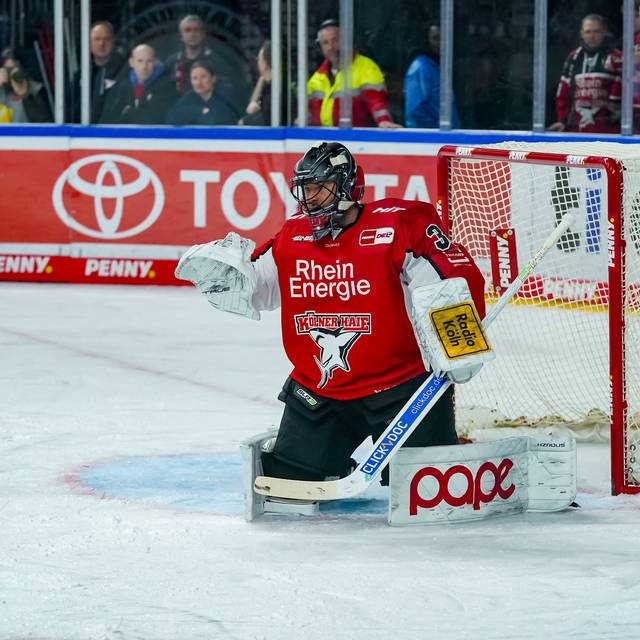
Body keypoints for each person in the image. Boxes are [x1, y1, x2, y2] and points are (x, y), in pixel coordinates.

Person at [175, 142, 490, 486]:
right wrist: (229, 275)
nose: (310, 198)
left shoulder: (399, 225)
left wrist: (458, 343)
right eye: (305, 189)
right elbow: (259, 287)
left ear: (348, 187)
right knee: (288, 483)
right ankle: (329, 458)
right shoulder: (293, 234)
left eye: (320, 187)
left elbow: (451, 278)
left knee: (422, 488)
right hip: (320, 390)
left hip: (401, 388)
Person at [307, 19, 400, 128]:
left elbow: (377, 103)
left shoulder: (366, 68)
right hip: (326, 137)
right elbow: (309, 113)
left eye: (335, 40)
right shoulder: (316, 78)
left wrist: (383, 121)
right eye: (325, 43)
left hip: (358, 137)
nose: (330, 47)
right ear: (320, 47)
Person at [548, 14, 621, 133]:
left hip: (609, 132)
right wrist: (562, 120)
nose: (592, 36)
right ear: (581, 33)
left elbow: (625, 94)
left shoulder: (617, 57)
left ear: (605, 31)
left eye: (597, 31)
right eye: (588, 32)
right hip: (576, 130)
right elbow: (563, 93)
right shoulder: (573, 58)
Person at [99, 44, 177, 125]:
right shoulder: (122, 86)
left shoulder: (166, 87)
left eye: (149, 61)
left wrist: (128, 113)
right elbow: (109, 117)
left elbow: (154, 118)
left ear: (154, 62)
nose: (144, 66)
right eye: (140, 61)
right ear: (131, 62)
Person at [403, 24, 460, 128]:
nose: (440, 43)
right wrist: (439, 129)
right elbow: (416, 110)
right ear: (426, 41)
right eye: (435, 38)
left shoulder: (440, 66)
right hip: (428, 135)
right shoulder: (420, 67)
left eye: (444, 38)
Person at [73, 21, 127, 123]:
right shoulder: (82, 73)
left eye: (106, 39)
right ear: (89, 43)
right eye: (97, 39)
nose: (101, 43)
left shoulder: (123, 71)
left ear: (113, 42)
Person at [167, 59, 240, 125]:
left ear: (213, 78)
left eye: (203, 76)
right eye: (195, 78)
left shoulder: (224, 96)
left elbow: (214, 120)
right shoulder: (190, 96)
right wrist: (200, 110)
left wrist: (190, 116)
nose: (199, 82)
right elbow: (172, 117)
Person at [165, 14, 214, 95]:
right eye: (188, 30)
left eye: (196, 30)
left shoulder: (216, 61)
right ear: (181, 36)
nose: (192, 34)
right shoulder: (171, 63)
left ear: (203, 34)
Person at [0, 50, 51, 123]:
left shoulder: (37, 90)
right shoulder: (3, 92)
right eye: (8, 70)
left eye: (15, 68)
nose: (13, 73)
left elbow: (45, 123)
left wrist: (26, 94)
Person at [238, 41, 272, 126]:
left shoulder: (273, 91)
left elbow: (251, 111)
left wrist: (245, 121)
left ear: (265, 64)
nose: (257, 62)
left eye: (259, 59)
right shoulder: (266, 85)